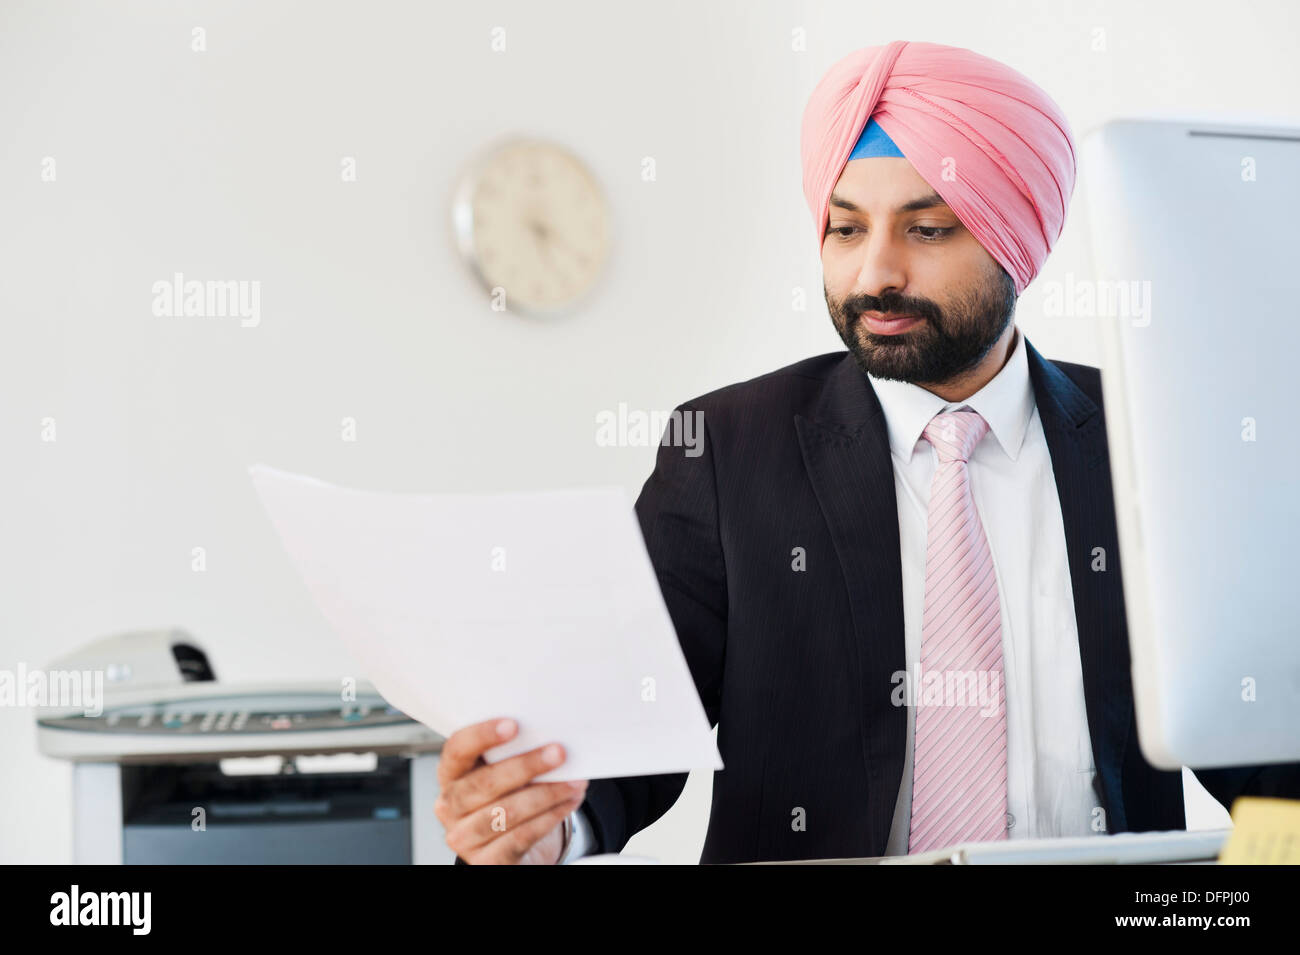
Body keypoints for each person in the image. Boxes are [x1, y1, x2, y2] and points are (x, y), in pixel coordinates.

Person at [435, 39, 1300, 865]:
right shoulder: (726, 450)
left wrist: (1226, 890)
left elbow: (1265, 770)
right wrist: (550, 829)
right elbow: (628, 740)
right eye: (846, 230)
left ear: (1018, 240)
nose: (875, 274)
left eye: (926, 231)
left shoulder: (1152, 439)